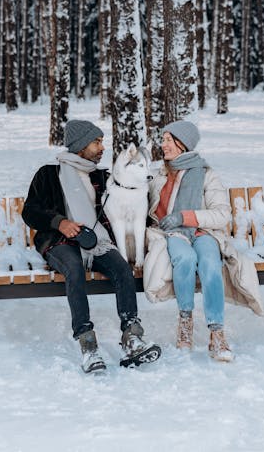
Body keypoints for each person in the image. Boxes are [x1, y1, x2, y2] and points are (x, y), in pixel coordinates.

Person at [22, 119, 161, 374]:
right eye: (96, 142)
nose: (102, 147)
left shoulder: (102, 177)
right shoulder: (49, 174)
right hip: (60, 241)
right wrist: (59, 222)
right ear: (79, 145)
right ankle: (88, 344)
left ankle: (132, 335)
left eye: (102, 142)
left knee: (121, 267)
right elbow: (30, 212)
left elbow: (129, 193)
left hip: (96, 241)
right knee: (73, 268)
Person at [143, 120, 264, 362]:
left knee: (210, 263)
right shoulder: (158, 175)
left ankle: (217, 332)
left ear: (182, 144)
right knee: (184, 259)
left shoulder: (207, 175)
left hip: (203, 232)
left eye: (168, 139)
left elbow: (222, 214)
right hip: (172, 233)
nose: (163, 144)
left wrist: (185, 216)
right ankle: (185, 321)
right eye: (163, 139)